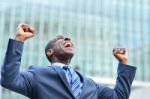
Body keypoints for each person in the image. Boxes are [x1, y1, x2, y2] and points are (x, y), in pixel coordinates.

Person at [1, 23, 136, 99]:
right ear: (50, 52)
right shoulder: (37, 75)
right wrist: (19, 40)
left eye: (68, 39)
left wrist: (123, 63)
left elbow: (119, 97)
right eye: (60, 39)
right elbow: (9, 80)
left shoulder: (90, 84)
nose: (67, 39)